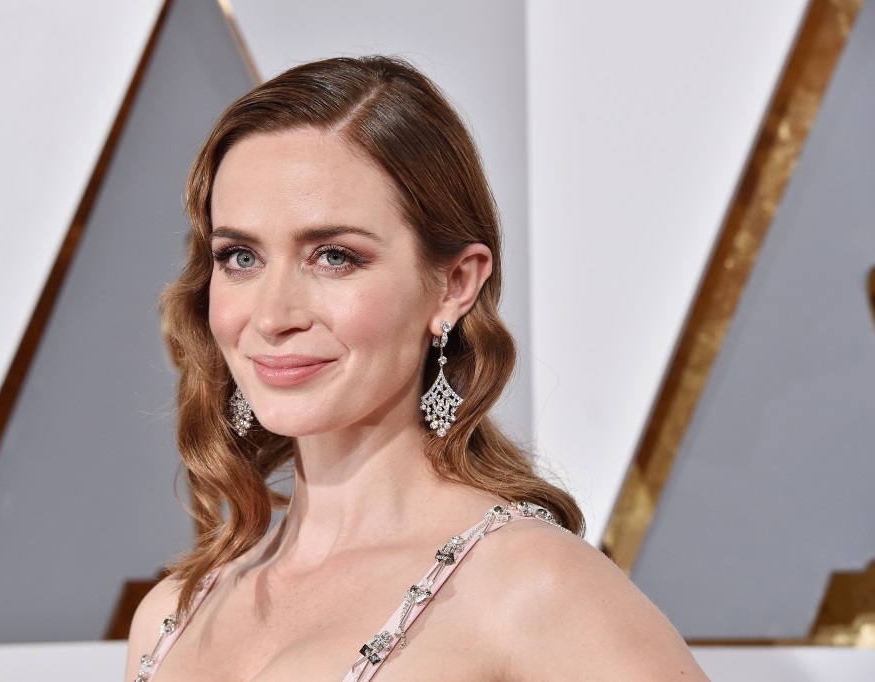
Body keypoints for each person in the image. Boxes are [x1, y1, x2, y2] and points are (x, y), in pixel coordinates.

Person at [126, 55, 708, 681]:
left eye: (334, 257)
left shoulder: (532, 590)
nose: (272, 316)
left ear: (455, 284)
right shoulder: (171, 613)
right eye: (241, 257)